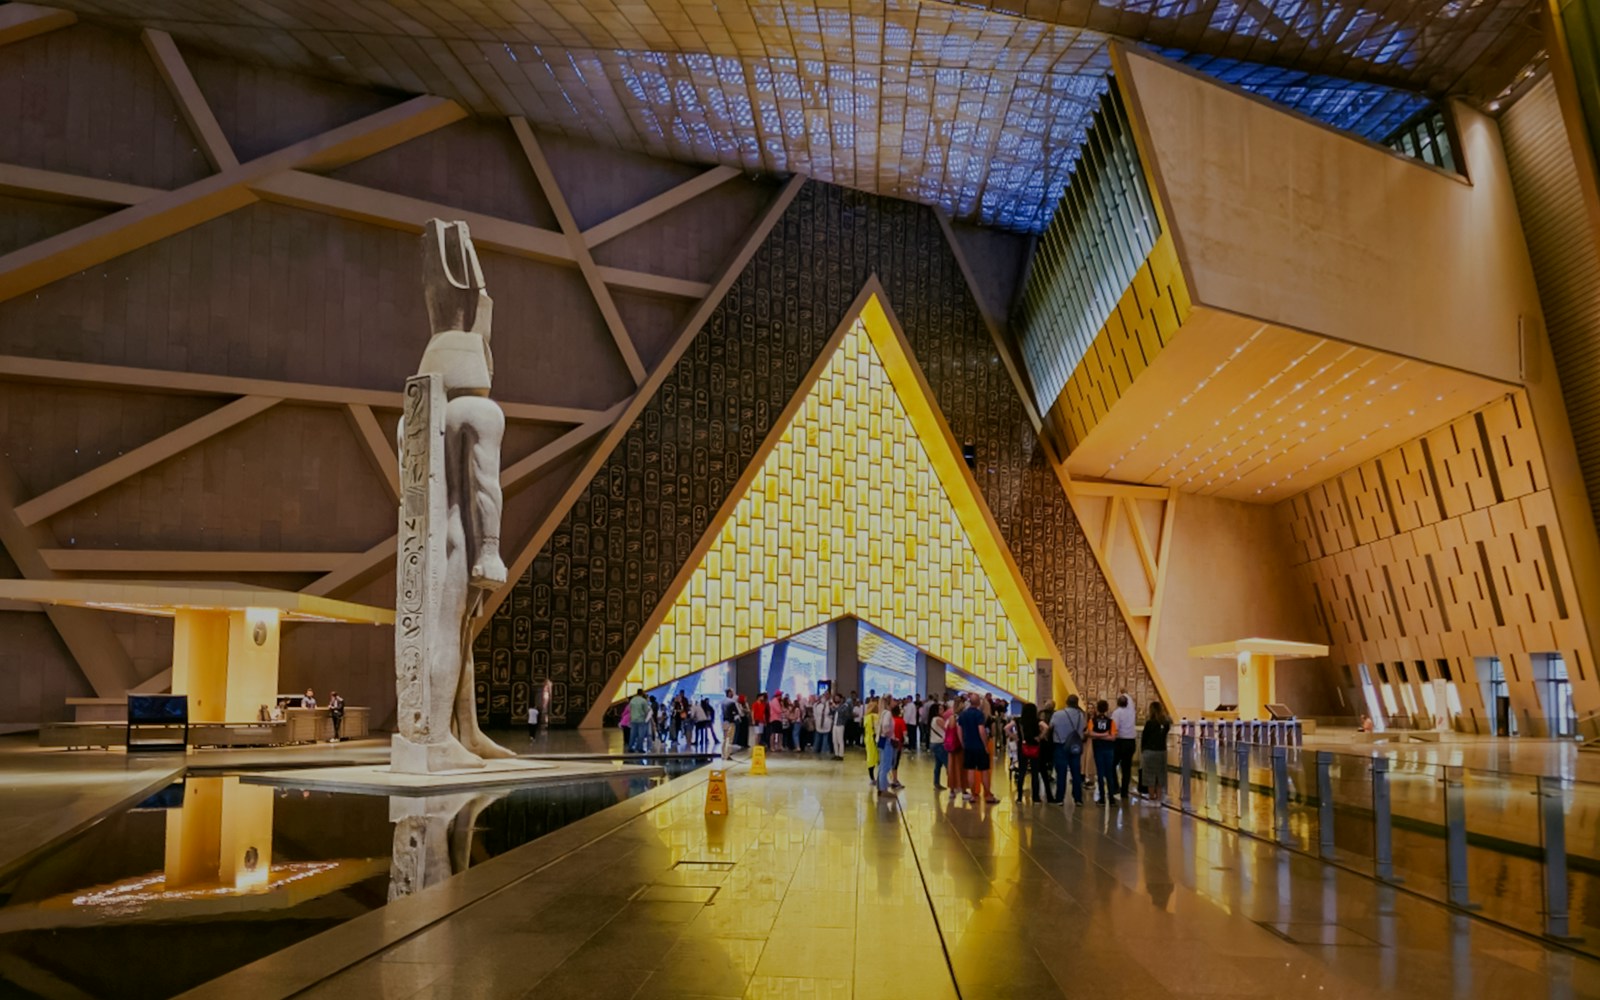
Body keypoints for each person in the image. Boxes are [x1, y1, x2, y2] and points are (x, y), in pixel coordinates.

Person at [958, 693, 997, 804]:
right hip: (979, 746)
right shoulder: (979, 714)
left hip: (968, 746)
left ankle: (973, 795)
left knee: (970, 770)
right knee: (984, 770)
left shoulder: (963, 715)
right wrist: (985, 745)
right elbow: (981, 730)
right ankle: (988, 795)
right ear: (979, 703)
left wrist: (963, 743)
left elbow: (959, 730)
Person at [1049, 695, 1087, 805]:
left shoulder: (1058, 714)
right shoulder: (1081, 715)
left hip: (1060, 745)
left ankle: (1060, 798)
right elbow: (1083, 728)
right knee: (1076, 773)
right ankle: (1078, 798)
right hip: (1075, 745)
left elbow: (1051, 727)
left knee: (1061, 773)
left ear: (1066, 702)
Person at [1141, 701, 1173, 803]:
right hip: (1161, 751)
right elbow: (1170, 721)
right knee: (1160, 775)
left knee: (1150, 775)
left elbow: (1144, 737)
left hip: (1149, 751)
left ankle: (1151, 798)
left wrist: (1143, 750)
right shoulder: (1165, 724)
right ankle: (1159, 798)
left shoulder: (1149, 723)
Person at [1011, 702, 1043, 803]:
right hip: (1034, 747)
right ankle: (1036, 798)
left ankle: (1019, 797)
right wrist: (1040, 737)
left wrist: (1015, 737)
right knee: (1034, 773)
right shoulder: (1037, 721)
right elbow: (1046, 727)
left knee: (1022, 772)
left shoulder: (1018, 721)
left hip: (1023, 747)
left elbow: (1006, 728)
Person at [1089, 699, 1118, 804]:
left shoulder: (1093, 721)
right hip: (1109, 749)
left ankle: (1101, 797)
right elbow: (1113, 737)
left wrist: (1098, 736)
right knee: (1109, 773)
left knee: (1100, 773)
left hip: (1098, 749)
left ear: (1097, 708)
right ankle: (1111, 797)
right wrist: (1105, 735)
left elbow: (1090, 733)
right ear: (1106, 709)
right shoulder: (1111, 722)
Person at [1111, 693, 1137, 801]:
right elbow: (1131, 701)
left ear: (1117, 703)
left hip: (1120, 741)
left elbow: (1114, 727)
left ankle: (1115, 787)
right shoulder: (1131, 711)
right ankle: (1124, 791)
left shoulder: (1116, 713)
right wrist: (1125, 692)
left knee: (1112, 765)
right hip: (1131, 741)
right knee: (1126, 767)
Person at [876, 700, 898, 795]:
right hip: (886, 741)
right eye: (892, 700)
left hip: (882, 740)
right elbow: (885, 726)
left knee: (882, 765)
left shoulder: (883, 712)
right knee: (886, 765)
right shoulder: (888, 713)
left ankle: (880, 786)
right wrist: (890, 736)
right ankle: (883, 789)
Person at [944, 701, 965, 800]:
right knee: (961, 767)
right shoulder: (960, 719)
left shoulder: (950, 718)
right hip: (959, 746)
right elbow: (960, 732)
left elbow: (946, 729)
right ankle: (963, 788)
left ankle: (952, 790)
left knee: (951, 767)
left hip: (950, 745)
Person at [930, 701, 949, 788]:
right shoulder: (939, 719)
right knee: (948, 764)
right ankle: (953, 785)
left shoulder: (933, 719)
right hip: (940, 744)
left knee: (938, 765)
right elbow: (946, 729)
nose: (942, 710)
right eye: (940, 709)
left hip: (934, 743)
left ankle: (936, 782)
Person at [889, 702, 906, 789]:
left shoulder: (890, 720)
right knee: (895, 763)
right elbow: (904, 733)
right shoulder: (901, 721)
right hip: (898, 744)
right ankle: (895, 780)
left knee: (891, 761)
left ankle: (893, 779)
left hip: (889, 743)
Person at [629, 688, 651, 754]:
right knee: (641, 735)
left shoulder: (632, 700)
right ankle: (639, 748)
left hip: (633, 719)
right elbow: (646, 711)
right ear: (642, 693)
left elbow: (630, 709)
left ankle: (630, 747)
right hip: (641, 720)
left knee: (632, 734)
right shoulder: (643, 701)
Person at [864, 698, 881, 784]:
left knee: (870, 759)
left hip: (868, 739)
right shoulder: (876, 717)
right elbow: (877, 728)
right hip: (875, 739)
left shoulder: (866, 717)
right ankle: (879, 778)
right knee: (878, 759)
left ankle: (872, 778)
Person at [830, 694, 848, 761]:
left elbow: (842, 712)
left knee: (840, 740)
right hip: (835, 724)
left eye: (838, 698)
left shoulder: (845, 706)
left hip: (840, 725)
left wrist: (835, 707)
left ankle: (841, 755)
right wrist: (832, 708)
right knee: (834, 740)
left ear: (841, 699)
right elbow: (832, 713)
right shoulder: (835, 706)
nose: (836, 699)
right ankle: (836, 754)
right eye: (835, 698)